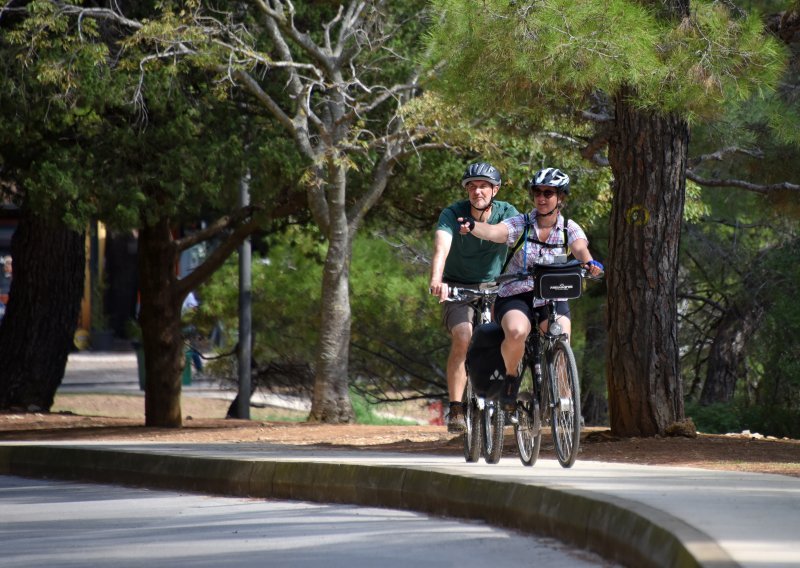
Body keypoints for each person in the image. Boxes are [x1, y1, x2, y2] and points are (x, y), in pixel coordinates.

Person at [456, 167, 603, 411]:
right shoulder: (521, 224)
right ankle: (512, 379)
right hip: (516, 294)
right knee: (516, 331)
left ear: (560, 198)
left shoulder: (569, 228)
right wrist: (473, 226)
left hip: (552, 295)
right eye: (537, 192)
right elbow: (494, 232)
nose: (542, 198)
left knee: (561, 337)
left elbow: (579, 248)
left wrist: (589, 262)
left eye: (548, 193)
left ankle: (564, 401)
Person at [430, 162, 519, 433]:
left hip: (496, 286)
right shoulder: (452, 213)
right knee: (463, 336)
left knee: (512, 336)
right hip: (458, 287)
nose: (477, 191)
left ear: (495, 189)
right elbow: (442, 247)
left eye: (483, 186)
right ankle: (456, 408)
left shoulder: (507, 213)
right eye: (472, 186)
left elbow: (523, 241)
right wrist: (437, 278)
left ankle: (507, 397)